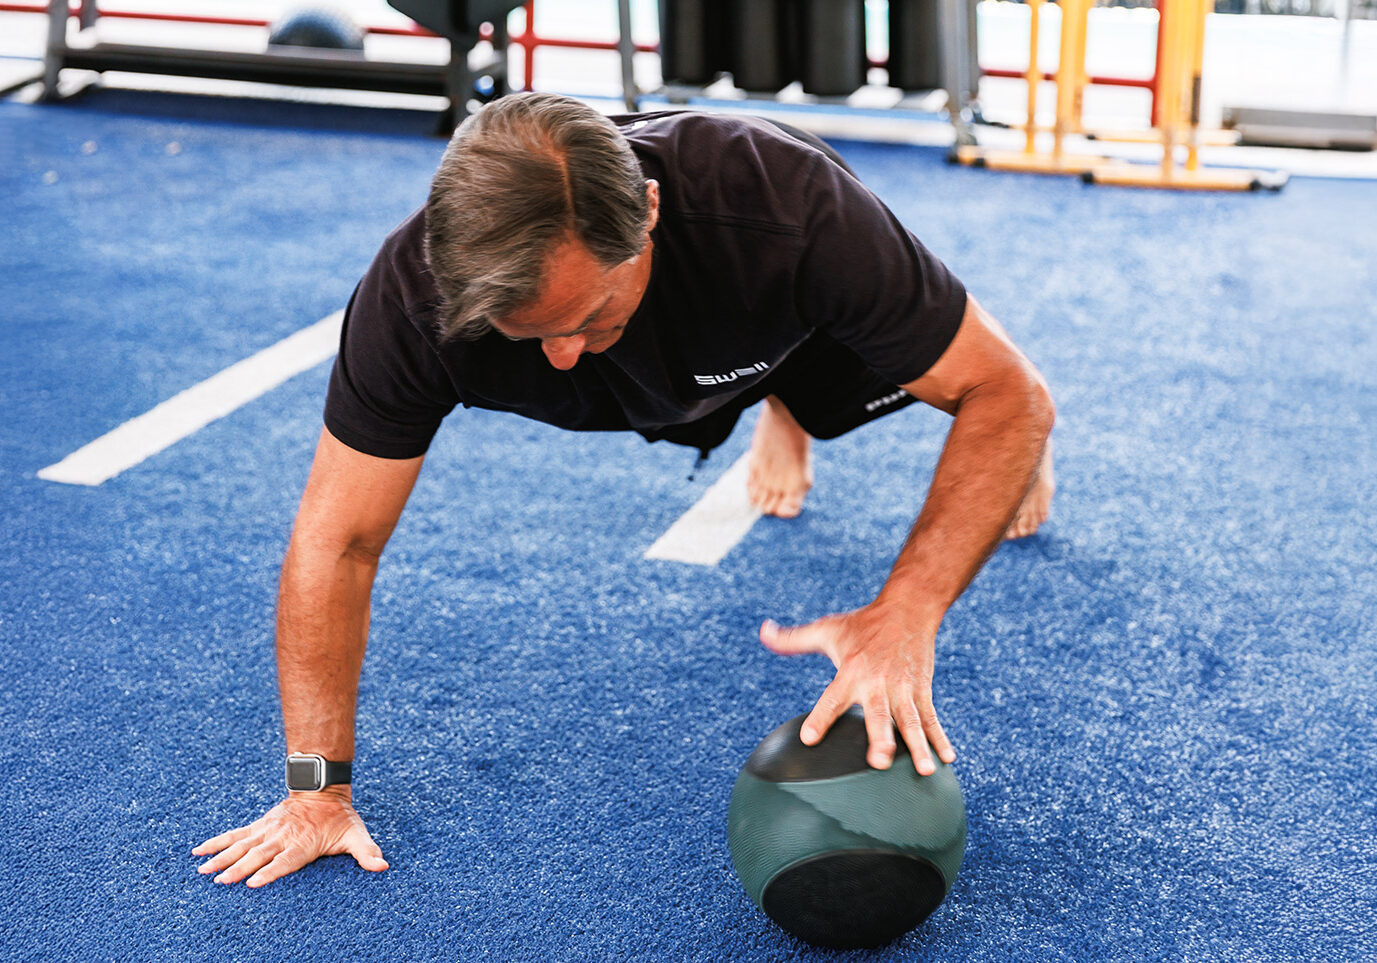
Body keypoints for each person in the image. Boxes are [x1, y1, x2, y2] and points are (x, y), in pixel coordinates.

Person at [193, 92, 1055, 888]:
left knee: (979, 394)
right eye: (531, 333)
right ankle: (753, 389)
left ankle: (794, 400)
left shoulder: (785, 210)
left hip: (768, 309)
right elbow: (338, 541)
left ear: (647, 211)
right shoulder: (414, 300)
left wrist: (907, 608)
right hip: (674, 340)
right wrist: (316, 790)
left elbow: (1010, 393)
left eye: (584, 318)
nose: (562, 354)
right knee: (631, 365)